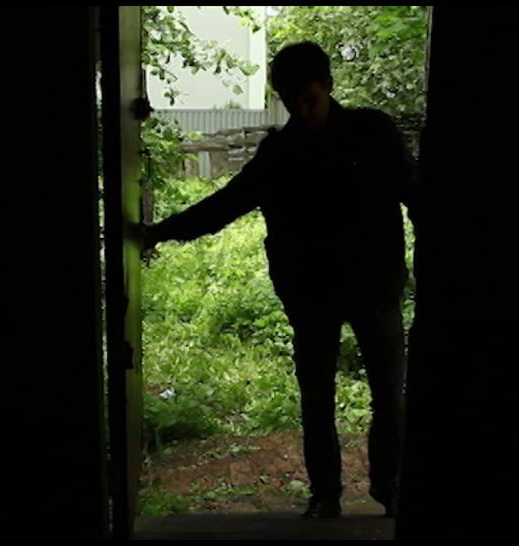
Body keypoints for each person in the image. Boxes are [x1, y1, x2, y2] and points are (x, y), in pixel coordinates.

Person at [143, 41, 415, 519]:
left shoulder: (373, 134)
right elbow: (224, 205)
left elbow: (417, 192)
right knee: (319, 399)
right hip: (316, 294)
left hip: (372, 288)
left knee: (388, 398)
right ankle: (328, 495)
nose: (302, 111)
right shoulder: (284, 152)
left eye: (308, 99)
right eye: (291, 102)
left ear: (328, 85)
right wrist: (159, 232)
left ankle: (387, 491)